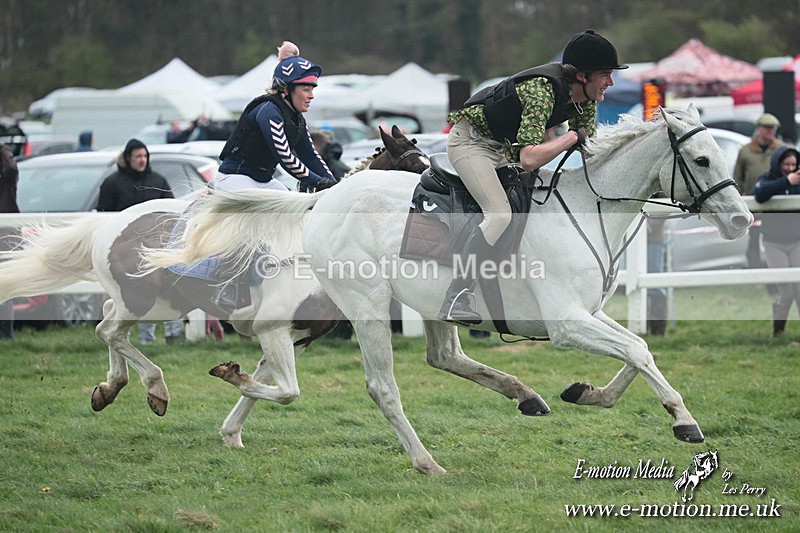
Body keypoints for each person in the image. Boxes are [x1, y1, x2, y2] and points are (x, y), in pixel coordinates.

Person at [439, 29, 627, 324]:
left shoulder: (587, 99)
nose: (610, 82)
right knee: (499, 215)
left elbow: (590, 151)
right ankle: (456, 296)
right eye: (605, 74)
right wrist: (570, 137)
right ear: (582, 75)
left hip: (501, 149)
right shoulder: (541, 90)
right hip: (469, 144)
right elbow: (529, 159)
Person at [214, 40, 337, 192]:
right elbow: (286, 158)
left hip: (264, 181)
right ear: (285, 89)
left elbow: (310, 157)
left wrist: (335, 185)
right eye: (306, 89)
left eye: (312, 90)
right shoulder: (268, 111)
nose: (311, 96)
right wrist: (319, 182)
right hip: (234, 179)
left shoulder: (297, 119)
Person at [96, 138, 184, 344]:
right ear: (128, 158)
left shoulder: (158, 180)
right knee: (143, 289)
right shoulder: (112, 183)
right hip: (127, 250)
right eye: (138, 156)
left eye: (145, 156)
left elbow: (170, 212)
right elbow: (104, 215)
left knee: (174, 284)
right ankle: (146, 339)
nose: (142, 160)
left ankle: (174, 334)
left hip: (160, 245)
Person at [753, 146, 800, 336]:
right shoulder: (766, 179)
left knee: (799, 290)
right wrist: (786, 182)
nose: (790, 168)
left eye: (793, 164)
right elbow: (760, 194)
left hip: (797, 242)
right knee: (786, 292)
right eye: (786, 164)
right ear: (778, 164)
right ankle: (778, 332)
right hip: (774, 244)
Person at [733, 113, 783, 269]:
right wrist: (738, 201)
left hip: (776, 206)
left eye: (773, 128)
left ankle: (774, 273)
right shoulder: (746, 151)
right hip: (753, 204)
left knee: (775, 241)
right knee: (753, 241)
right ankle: (755, 271)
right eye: (767, 128)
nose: (770, 131)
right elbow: (738, 178)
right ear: (759, 129)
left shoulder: (781, 150)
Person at [0, 142, 20, 340]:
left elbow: (12, 168)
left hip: (4, 236)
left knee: (5, 285)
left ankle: (6, 334)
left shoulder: (6, 182)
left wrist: (2, 150)